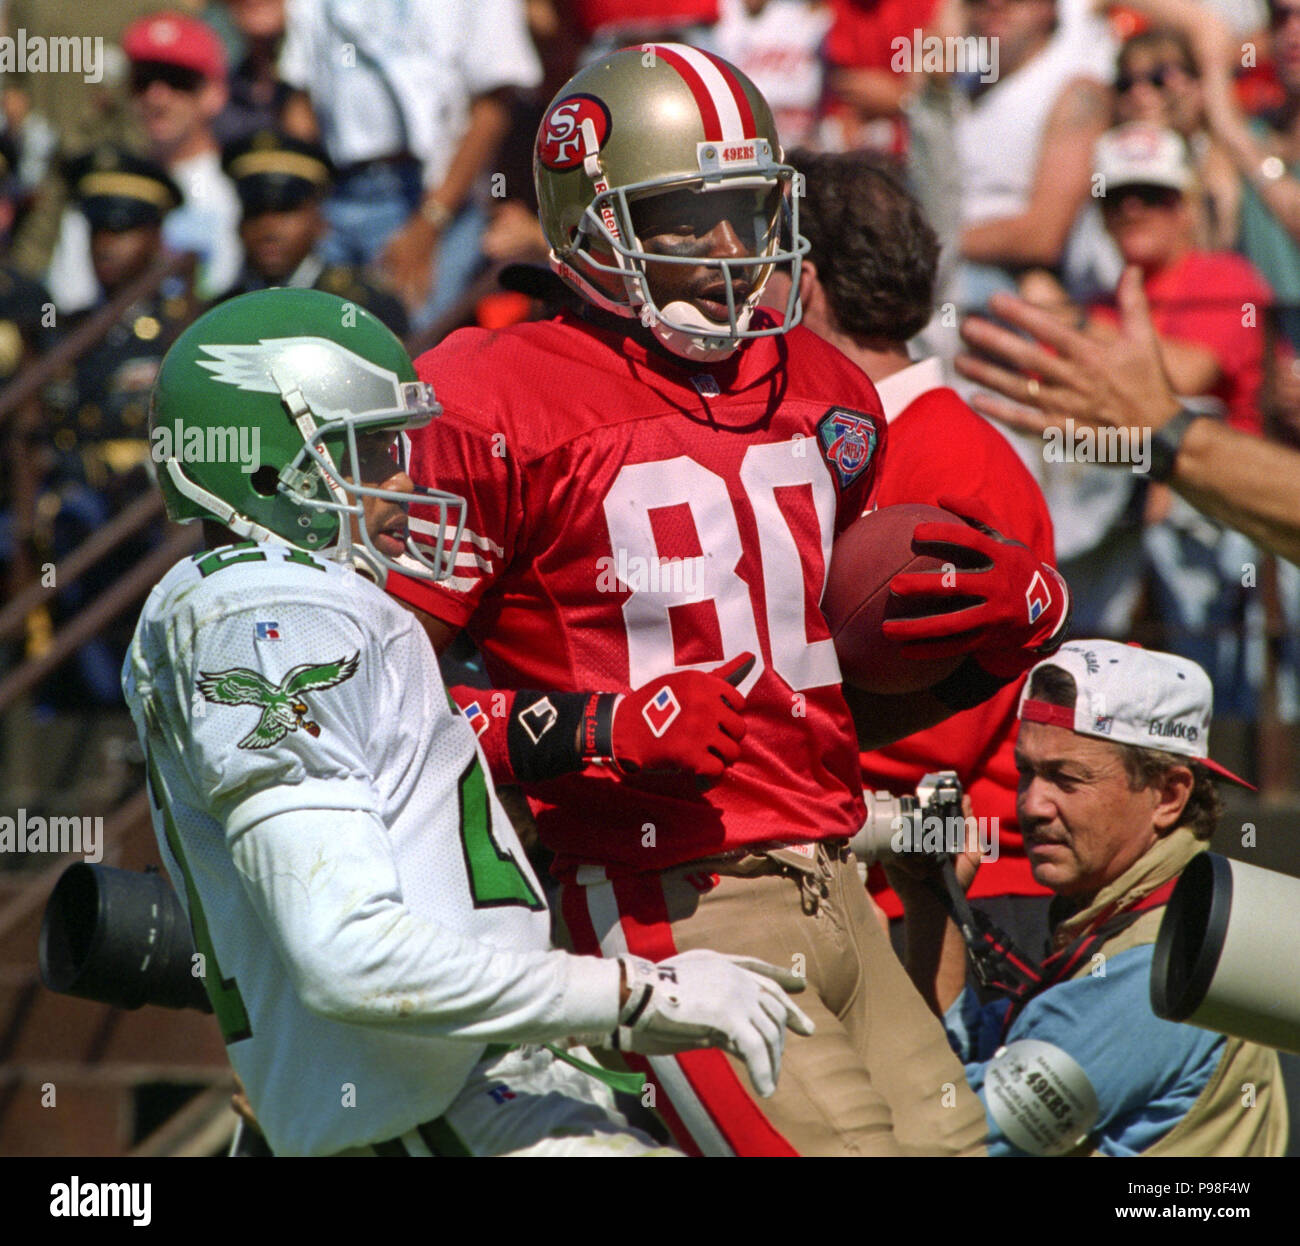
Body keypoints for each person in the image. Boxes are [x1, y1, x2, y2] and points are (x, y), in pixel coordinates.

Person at [387, 44, 1072, 1157]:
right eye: (682, 219)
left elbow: (826, 676)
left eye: (747, 215)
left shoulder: (824, 393)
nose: (725, 255)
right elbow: (386, 706)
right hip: (668, 893)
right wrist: (590, 728)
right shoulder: (488, 395)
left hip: (836, 871)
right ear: (586, 222)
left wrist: (1000, 633)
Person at [124, 287, 814, 1157]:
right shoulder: (269, 613)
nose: (407, 478)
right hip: (432, 1119)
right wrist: (636, 994)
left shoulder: (265, 598)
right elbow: (350, 955)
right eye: (371, 448)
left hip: (466, 1093)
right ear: (270, 468)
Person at [768, 149, 1065, 957]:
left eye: (763, 260)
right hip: (865, 874)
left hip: (945, 899)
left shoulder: (955, 464)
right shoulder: (849, 441)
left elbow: (933, 737)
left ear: (807, 280)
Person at [893, 640, 1289, 1156]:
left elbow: (942, 1140)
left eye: (1066, 778)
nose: (1031, 805)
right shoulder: (1164, 919)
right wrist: (932, 900)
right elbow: (960, 1069)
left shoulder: (1147, 971)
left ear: (1169, 795)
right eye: (1026, 772)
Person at [955, 270, 1300, 570]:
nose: (1132, 210)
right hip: (1135, 500)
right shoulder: (1104, 299)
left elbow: (1188, 374)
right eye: (1114, 202)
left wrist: (1077, 321)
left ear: (1185, 211)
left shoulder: (1220, 275)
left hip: (1215, 516)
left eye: (1152, 196)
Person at [278, 0, 542, 326]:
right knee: (309, 337)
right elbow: (301, 105)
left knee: (404, 350)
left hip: (431, 198)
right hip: (336, 194)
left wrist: (430, 221)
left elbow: (494, 103)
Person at [220, 129, 409, 333]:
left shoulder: (359, 308)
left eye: (286, 211)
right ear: (238, 224)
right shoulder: (221, 312)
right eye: (255, 212)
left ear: (320, 222)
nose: (268, 229)